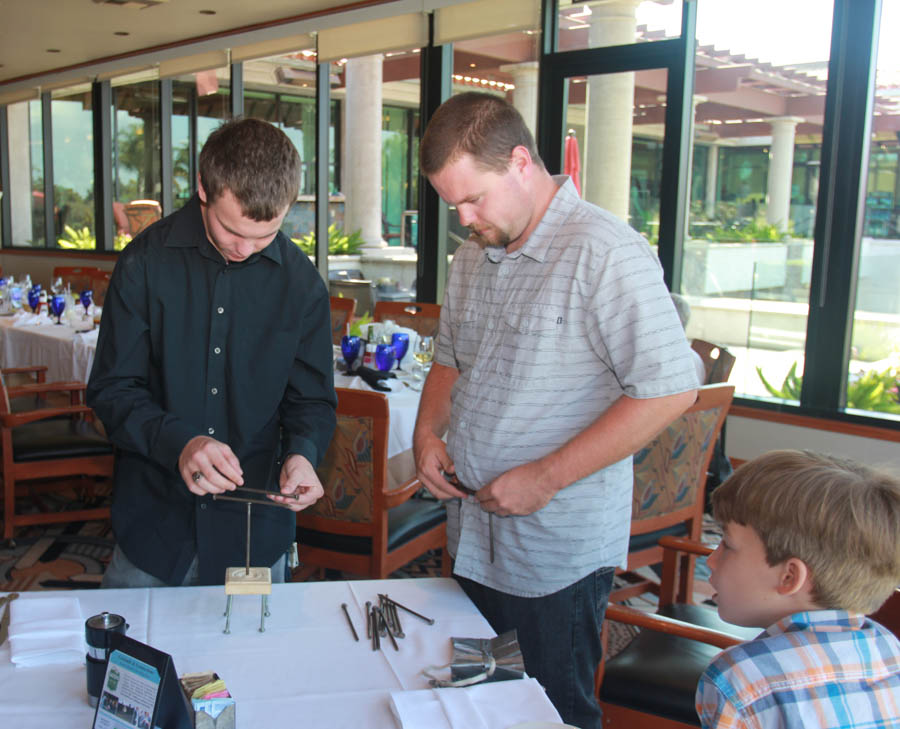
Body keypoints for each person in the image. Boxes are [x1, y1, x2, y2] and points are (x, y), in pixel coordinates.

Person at [413, 92, 700, 728]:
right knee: (482, 700)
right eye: (452, 203)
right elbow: (450, 361)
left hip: (555, 551)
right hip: (471, 531)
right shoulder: (471, 257)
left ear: (520, 161)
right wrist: (427, 430)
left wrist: (546, 477)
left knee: (553, 713)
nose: (464, 218)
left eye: (473, 198)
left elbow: (671, 389)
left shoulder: (605, 251)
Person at [87, 118, 337, 588]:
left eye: (264, 236)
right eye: (231, 229)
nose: (245, 248)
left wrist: (303, 454)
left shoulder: (302, 285)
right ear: (203, 188)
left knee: (256, 662)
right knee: (133, 661)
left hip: (255, 532)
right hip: (155, 527)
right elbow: (111, 389)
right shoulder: (143, 262)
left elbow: (312, 401)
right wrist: (179, 441)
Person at [697, 450, 900, 729]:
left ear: (789, 576)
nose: (711, 559)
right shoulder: (890, 650)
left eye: (727, 545)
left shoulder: (741, 677)